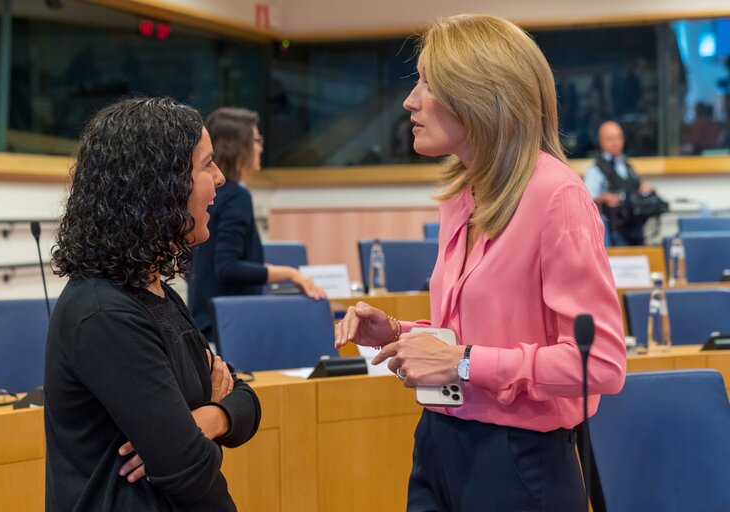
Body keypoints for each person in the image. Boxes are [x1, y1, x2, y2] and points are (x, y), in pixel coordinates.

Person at [335, 14, 626, 512]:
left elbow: (598, 362)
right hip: (440, 441)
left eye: (427, 82)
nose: (410, 100)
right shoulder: (463, 192)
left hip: (517, 462)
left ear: (478, 95)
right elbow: (480, 334)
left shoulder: (556, 196)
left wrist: (463, 361)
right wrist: (401, 333)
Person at [45, 97, 261, 511]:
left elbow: (245, 397)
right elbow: (189, 470)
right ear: (159, 184)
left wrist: (212, 417)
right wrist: (201, 431)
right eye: (206, 165)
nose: (219, 179)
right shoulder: (103, 313)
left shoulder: (157, 292)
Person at [189, 107, 325, 346]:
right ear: (238, 146)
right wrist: (290, 274)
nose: (260, 147)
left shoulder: (212, 195)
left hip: (204, 321)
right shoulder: (236, 197)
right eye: (256, 140)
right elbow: (227, 266)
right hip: (225, 328)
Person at [584, 120, 655, 246]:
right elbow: (586, 201)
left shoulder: (626, 165)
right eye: (610, 139)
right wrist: (604, 198)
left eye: (618, 138)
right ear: (601, 141)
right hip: (613, 230)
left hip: (635, 226)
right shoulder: (596, 170)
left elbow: (633, 186)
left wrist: (642, 189)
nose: (615, 142)